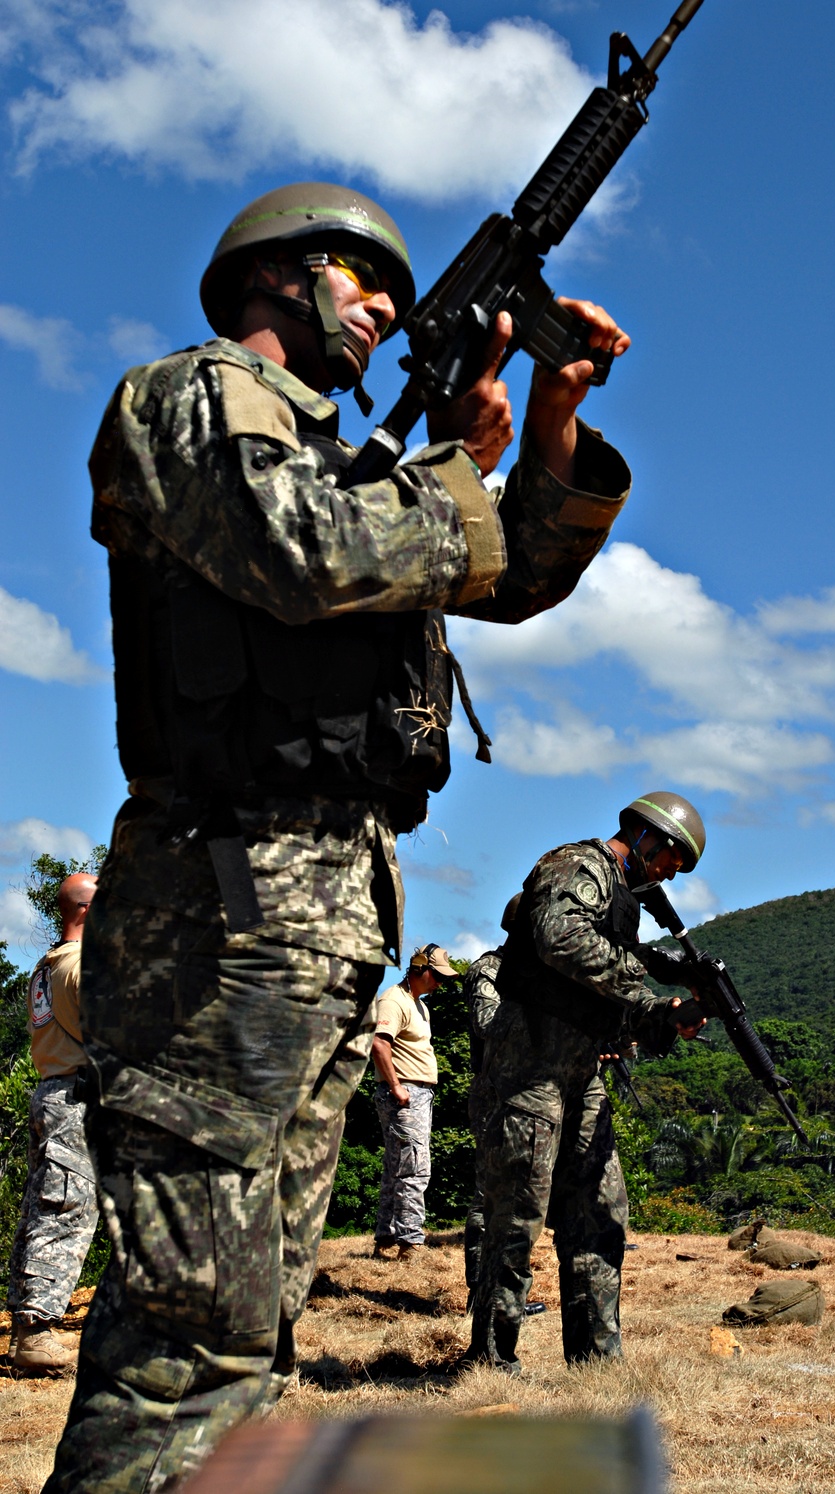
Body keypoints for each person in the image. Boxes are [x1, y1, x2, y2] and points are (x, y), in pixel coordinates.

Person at [47, 180, 632, 1491]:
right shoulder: (188, 397)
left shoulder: (352, 468)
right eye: (363, 279)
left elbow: (509, 575)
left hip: (309, 918)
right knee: (189, 1345)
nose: (383, 307)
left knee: (246, 1332)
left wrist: (548, 423)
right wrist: (453, 467)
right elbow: (299, 549)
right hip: (227, 909)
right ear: (278, 276)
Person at [468, 791, 710, 1373]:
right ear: (648, 835)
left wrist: (664, 1016)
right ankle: (493, 1362)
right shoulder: (578, 865)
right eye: (674, 856)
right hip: (530, 1070)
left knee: (602, 1212)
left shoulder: (625, 906)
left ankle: (596, 1364)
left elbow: (611, 1000)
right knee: (518, 1216)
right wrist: (642, 983)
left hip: (583, 1076)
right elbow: (558, 937)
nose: (673, 871)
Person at [7, 874, 99, 1376]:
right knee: (66, 1206)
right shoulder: (85, 967)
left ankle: (26, 1320)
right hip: (78, 1096)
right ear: (86, 911)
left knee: (42, 1203)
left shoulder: (45, 966)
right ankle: (36, 1333)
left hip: (52, 1093)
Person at [370, 943, 456, 1260]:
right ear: (419, 968)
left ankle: (387, 1238)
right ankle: (410, 1241)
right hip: (404, 1093)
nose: (440, 983)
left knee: (397, 1167)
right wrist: (396, 1087)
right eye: (437, 975)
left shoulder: (419, 1004)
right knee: (414, 1168)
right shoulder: (394, 1000)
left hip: (417, 1094)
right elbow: (379, 1044)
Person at [462, 895, 519, 1301]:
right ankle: (481, 1291)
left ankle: (503, 1292)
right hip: (493, 1093)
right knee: (489, 1195)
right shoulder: (489, 970)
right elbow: (487, 1023)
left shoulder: (532, 977)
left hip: (526, 1093)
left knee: (518, 1198)